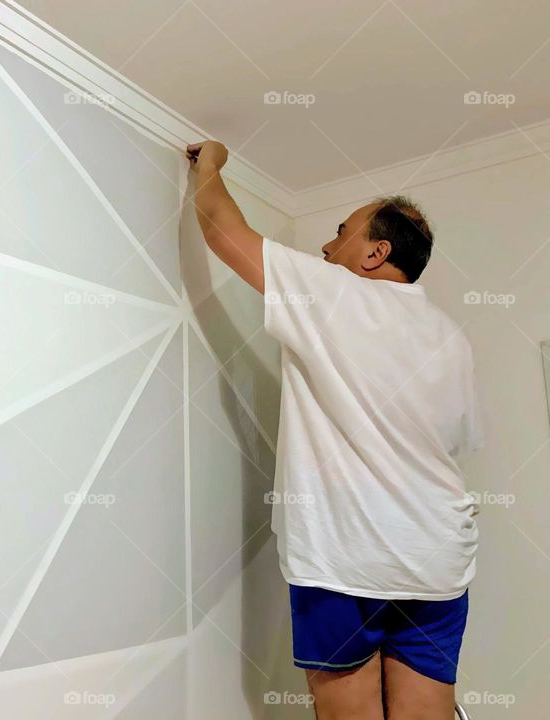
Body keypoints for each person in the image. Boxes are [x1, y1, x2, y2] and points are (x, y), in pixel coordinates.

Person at [187, 140, 482, 719]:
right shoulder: (452, 336)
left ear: (375, 253)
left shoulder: (334, 292)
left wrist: (212, 162)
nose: (325, 246)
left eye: (341, 230)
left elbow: (222, 230)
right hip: (438, 555)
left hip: (347, 554)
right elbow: (453, 443)